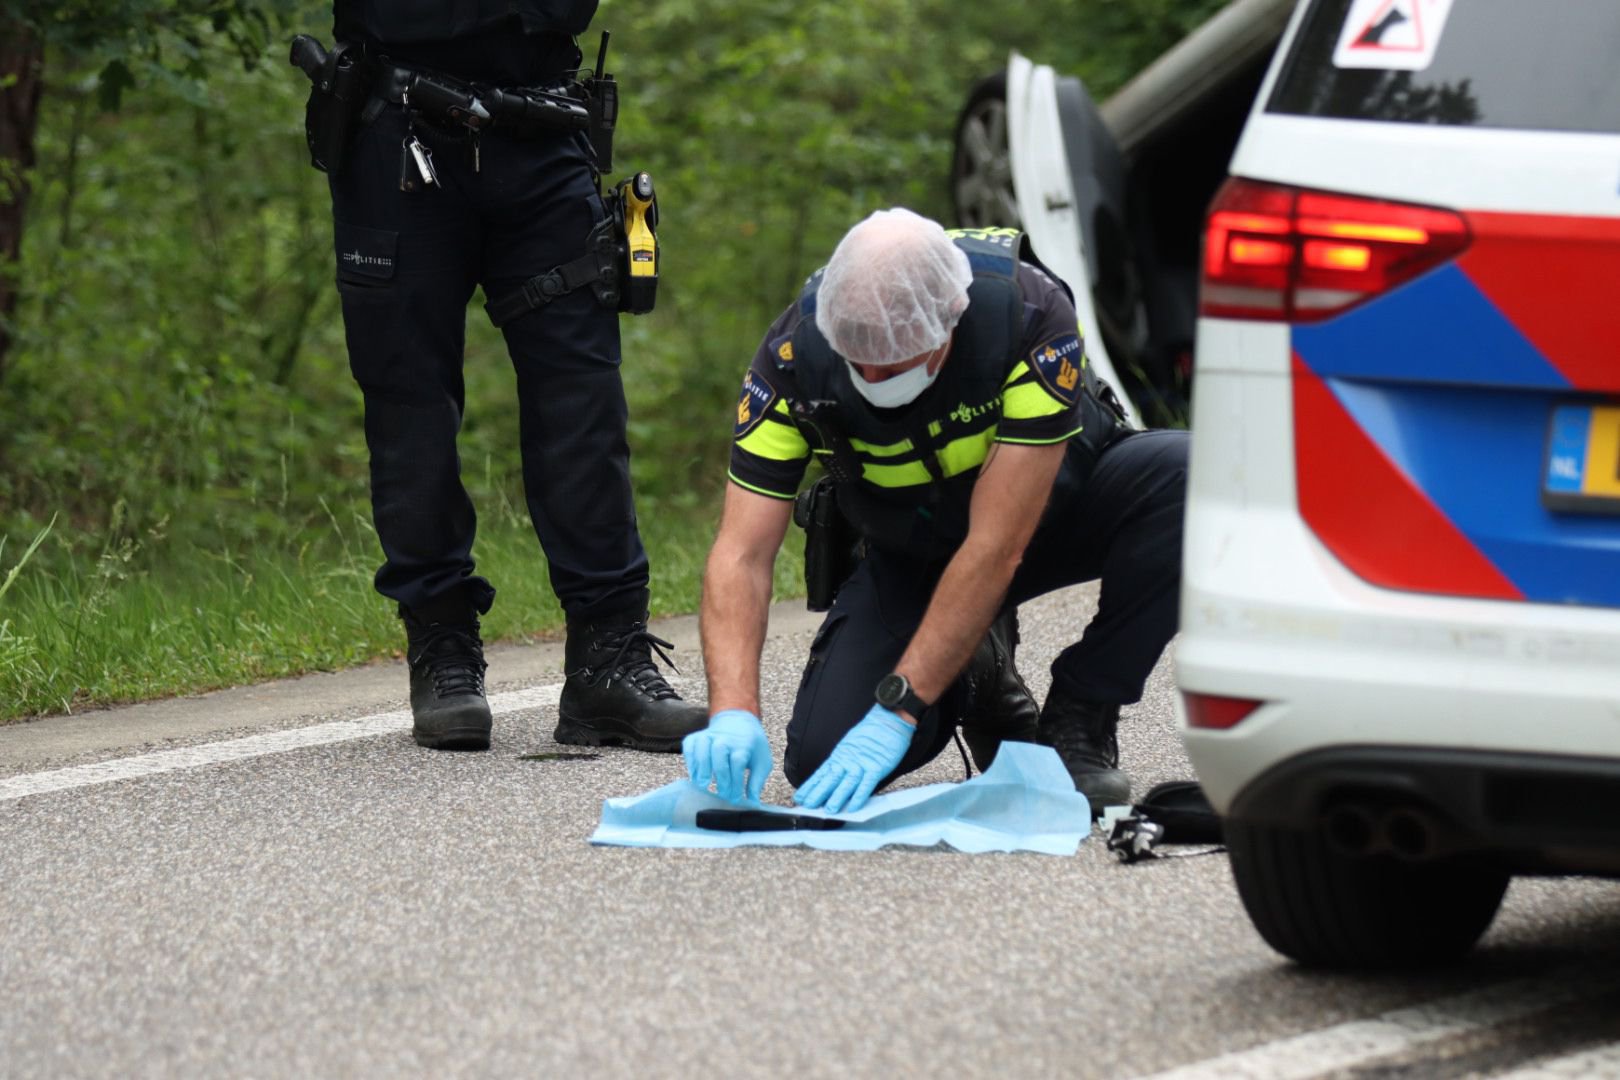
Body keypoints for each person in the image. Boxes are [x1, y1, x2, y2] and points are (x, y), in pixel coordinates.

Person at [684, 209, 1187, 813]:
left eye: (894, 362)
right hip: (918, 546)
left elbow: (996, 546)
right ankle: (977, 675)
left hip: (1054, 509)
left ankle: (1081, 714)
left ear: (951, 321)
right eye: (856, 359)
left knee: (1187, 479)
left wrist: (898, 708)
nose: (874, 376)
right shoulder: (792, 359)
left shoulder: (1026, 315)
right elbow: (741, 554)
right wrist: (733, 710)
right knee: (821, 758)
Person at [320, 1, 705, 752]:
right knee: (409, 410)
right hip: (397, 129)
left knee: (583, 402)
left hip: (545, 129)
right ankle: (441, 646)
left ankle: (607, 661)